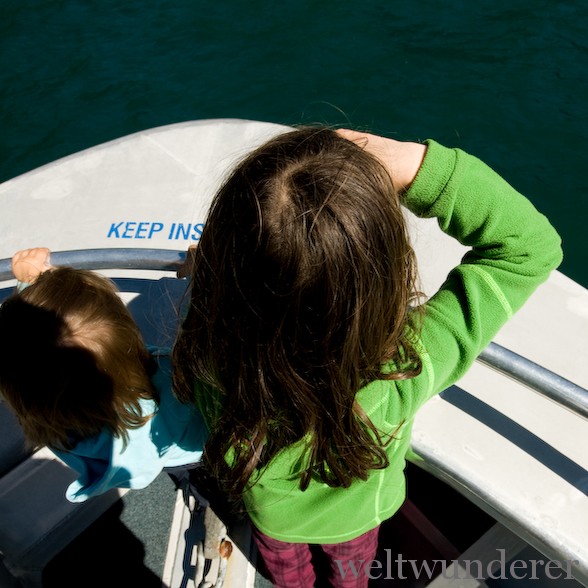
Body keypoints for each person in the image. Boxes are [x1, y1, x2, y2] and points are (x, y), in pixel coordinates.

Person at [172, 126, 563, 587]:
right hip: (358, 519)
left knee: (286, 568)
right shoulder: (409, 368)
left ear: (224, 263)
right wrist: (418, 166)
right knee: (352, 571)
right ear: (386, 278)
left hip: (273, 521)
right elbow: (528, 247)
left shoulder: (207, 351)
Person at [0, 247, 206, 502]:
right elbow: (208, 353)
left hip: (171, 460)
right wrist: (203, 282)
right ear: (127, 336)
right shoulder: (172, 391)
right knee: (219, 482)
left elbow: (32, 351)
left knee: (194, 481)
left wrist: (28, 284)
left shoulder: (53, 420)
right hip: (199, 450)